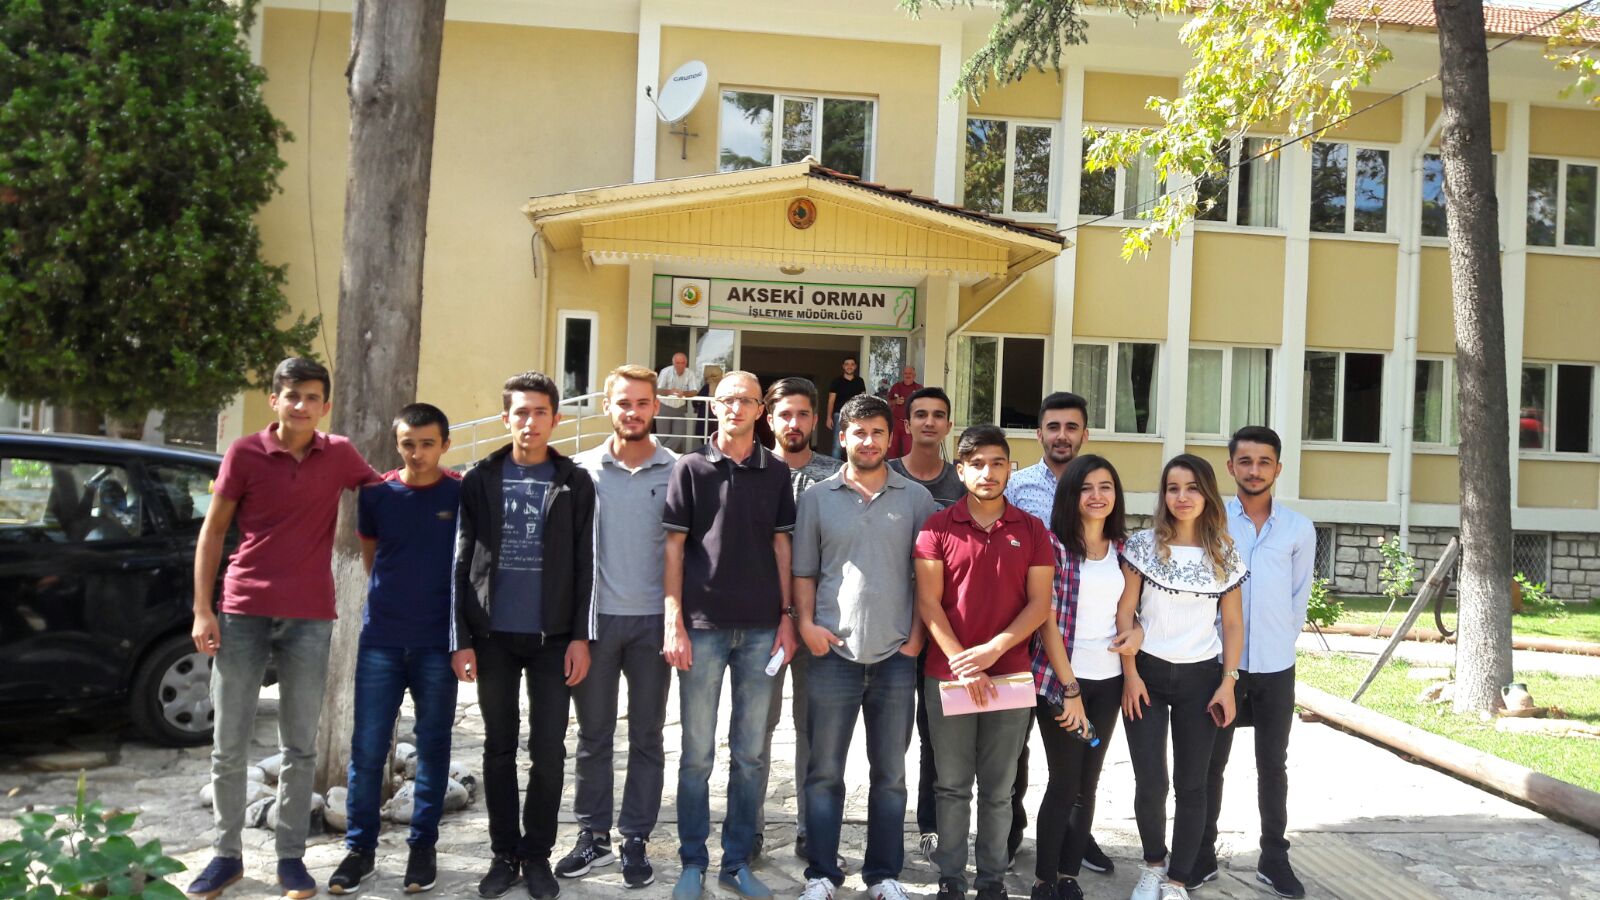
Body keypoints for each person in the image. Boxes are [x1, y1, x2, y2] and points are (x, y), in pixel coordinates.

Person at [186, 357, 379, 900]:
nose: (302, 405)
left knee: (300, 746)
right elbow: (212, 532)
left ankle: (291, 859)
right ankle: (226, 856)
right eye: (292, 395)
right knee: (228, 744)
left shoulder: (339, 453)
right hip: (242, 610)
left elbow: (384, 491)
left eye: (312, 397)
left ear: (325, 405)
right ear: (275, 400)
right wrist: (202, 609)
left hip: (310, 616)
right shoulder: (244, 452)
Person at [450, 371, 596, 900]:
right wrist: (462, 638)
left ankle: (537, 855)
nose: (530, 422)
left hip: (553, 639)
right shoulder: (480, 478)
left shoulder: (574, 481)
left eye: (540, 412)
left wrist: (581, 636)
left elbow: (586, 562)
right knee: (498, 749)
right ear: (505, 417)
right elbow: (461, 560)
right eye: (521, 412)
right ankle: (504, 853)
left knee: (549, 751)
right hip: (493, 637)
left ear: (555, 418)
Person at [794, 395, 938, 900]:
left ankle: (883, 875)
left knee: (891, 775)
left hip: (895, 656)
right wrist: (806, 624)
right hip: (831, 654)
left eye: (878, 432)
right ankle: (822, 874)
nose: (869, 441)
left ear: (890, 437)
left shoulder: (917, 499)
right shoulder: (817, 497)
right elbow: (804, 571)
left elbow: (926, 580)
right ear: (843, 436)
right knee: (824, 772)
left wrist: (916, 639)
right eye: (859, 432)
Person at [664, 370, 799, 900]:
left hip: (763, 628)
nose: (736, 408)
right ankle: (692, 861)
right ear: (714, 406)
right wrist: (673, 620)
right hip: (702, 628)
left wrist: (787, 616)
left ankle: (736, 861)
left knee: (750, 756)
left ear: (761, 410)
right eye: (727, 400)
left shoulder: (776, 472)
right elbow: (674, 549)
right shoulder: (690, 468)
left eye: (746, 401)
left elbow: (783, 547)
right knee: (697, 754)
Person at [329, 404, 462, 896]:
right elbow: (372, 559)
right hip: (381, 639)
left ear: (445, 445)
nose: (417, 453)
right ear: (397, 444)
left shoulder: (460, 493)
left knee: (433, 746)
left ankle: (422, 847)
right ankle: (359, 850)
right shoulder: (377, 494)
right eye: (409, 444)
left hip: (438, 643)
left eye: (428, 443)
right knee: (367, 750)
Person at [915, 426, 1053, 900]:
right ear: (961, 470)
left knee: (999, 789)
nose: (987, 472)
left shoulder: (1031, 530)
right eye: (976, 464)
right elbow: (929, 603)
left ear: (1010, 469)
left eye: (997, 463)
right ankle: (951, 878)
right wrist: (963, 662)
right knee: (951, 786)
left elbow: (1039, 605)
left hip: (1010, 675)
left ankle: (992, 881)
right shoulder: (937, 527)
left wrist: (993, 652)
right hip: (948, 675)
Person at [562, 366, 679, 889]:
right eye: (623, 402)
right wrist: (573, 630)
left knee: (648, 736)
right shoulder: (581, 470)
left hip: (654, 623)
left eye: (642, 403)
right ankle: (593, 835)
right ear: (607, 406)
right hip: (596, 624)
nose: (632, 412)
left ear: (656, 407)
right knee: (593, 735)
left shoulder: (678, 470)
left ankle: (635, 837)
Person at [1194, 427, 1315, 899]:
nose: (1255, 470)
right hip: (1220, 666)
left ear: (1278, 468)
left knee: (1272, 765)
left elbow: (1297, 598)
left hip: (1275, 666)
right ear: (1230, 467)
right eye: (1245, 461)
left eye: (1264, 462)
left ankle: (1274, 858)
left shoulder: (1297, 529)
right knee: (1210, 763)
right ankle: (1202, 853)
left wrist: (1279, 640)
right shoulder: (1211, 521)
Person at [1119, 454, 1247, 900]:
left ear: (1207, 493)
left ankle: (1177, 881)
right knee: (1151, 780)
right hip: (1147, 677)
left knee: (1193, 785)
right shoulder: (1143, 546)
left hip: (1202, 680)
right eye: (1173, 488)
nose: (1182, 497)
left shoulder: (1224, 553)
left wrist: (1228, 682)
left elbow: (1233, 625)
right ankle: (1154, 866)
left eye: (1192, 487)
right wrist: (1130, 674)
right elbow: (1125, 612)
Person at [1002, 391, 1113, 877]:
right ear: (1039, 433)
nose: (1062, 436)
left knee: (1076, 767)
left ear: (1084, 434)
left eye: (1071, 427)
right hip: (1020, 644)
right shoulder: (1017, 487)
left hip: (1075, 647)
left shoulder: (1100, 492)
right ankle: (1008, 835)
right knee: (1013, 751)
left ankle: (1075, 841)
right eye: (1053, 427)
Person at [1029, 455, 1142, 900]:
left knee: (1087, 784)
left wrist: (1138, 636)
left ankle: (1068, 875)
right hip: (1062, 683)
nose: (1097, 496)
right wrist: (1069, 689)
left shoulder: (1124, 549)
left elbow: (1129, 615)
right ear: (1070, 495)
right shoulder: (1052, 545)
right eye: (1086, 488)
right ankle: (1044, 879)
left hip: (1108, 682)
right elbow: (1045, 621)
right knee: (1064, 780)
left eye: (1105, 487)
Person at [756, 377, 842, 863]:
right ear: (769, 419)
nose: (794, 423)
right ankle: (749, 831)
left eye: (803, 414)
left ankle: (813, 832)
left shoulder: (835, 476)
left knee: (814, 732)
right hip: (760, 626)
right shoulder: (753, 470)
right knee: (756, 731)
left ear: (815, 420)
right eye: (784, 414)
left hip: (817, 624)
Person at [885, 386, 962, 862]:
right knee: (891, 736)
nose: (929, 422)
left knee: (937, 733)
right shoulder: (886, 474)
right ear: (907, 424)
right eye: (920, 415)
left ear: (949, 425)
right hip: (892, 628)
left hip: (945, 631)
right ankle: (885, 827)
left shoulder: (962, 482)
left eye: (938, 415)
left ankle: (932, 826)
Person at [657, 352, 702, 452]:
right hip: (664, 407)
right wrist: (670, 392)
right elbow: (658, 390)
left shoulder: (690, 373)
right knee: (663, 437)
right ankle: (663, 457)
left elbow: (694, 391)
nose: (680, 365)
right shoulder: (665, 371)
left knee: (678, 436)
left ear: (686, 363)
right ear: (673, 363)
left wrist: (684, 393)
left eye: (682, 363)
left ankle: (661, 454)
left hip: (680, 409)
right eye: (677, 363)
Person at [823, 356, 866, 459]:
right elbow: (831, 400)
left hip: (856, 416)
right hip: (839, 415)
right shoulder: (836, 382)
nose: (849, 366)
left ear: (855, 367)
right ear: (843, 366)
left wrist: (864, 416)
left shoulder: (860, 381)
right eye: (847, 364)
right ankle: (834, 468)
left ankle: (854, 466)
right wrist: (829, 417)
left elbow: (863, 399)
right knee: (837, 444)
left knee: (855, 442)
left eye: (852, 364)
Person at [886, 366, 922, 460]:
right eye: (906, 373)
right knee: (892, 448)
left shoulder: (919, 388)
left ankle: (908, 468)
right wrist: (895, 401)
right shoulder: (896, 386)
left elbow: (924, 405)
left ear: (914, 375)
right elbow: (888, 402)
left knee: (908, 448)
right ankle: (892, 467)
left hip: (910, 423)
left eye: (910, 373)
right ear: (903, 375)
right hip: (896, 422)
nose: (907, 375)